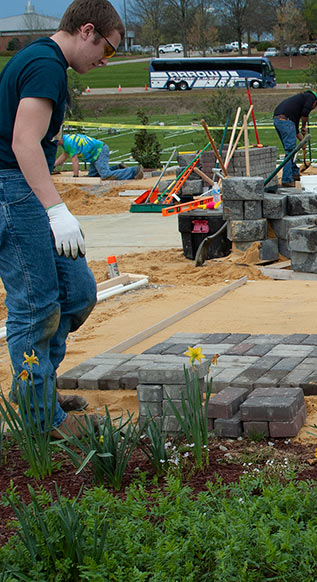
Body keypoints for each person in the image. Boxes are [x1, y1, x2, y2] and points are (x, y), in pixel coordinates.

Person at [0, 0, 123, 436]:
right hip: (13, 190)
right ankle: (39, 421)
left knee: (77, 293)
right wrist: (56, 210)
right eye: (106, 50)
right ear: (87, 30)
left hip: (23, 189)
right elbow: (24, 143)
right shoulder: (45, 65)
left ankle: (36, 389)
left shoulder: (45, 62)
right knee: (35, 308)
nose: (105, 61)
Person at [272, 90, 317, 187]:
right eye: (314, 107)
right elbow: (305, 113)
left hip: (279, 120)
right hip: (285, 121)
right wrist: (304, 126)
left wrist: (302, 142)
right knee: (290, 151)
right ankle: (287, 179)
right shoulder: (311, 97)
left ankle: (294, 173)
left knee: (290, 149)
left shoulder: (295, 107)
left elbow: (295, 130)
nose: (312, 108)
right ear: (315, 103)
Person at [54, 133, 143, 180]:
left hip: (99, 151)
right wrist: (53, 166)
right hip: (94, 154)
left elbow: (75, 160)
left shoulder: (68, 142)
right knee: (93, 176)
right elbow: (64, 156)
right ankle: (118, 168)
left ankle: (134, 171)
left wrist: (75, 176)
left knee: (105, 175)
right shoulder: (66, 141)